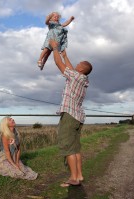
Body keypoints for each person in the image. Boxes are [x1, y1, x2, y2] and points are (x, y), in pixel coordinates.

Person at [49, 39, 93, 187]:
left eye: (79, 64)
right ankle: (79, 175)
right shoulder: (82, 78)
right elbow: (71, 69)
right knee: (75, 148)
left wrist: (55, 48)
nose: (76, 65)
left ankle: (73, 179)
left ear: (81, 69)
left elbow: (58, 64)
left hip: (69, 115)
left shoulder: (75, 76)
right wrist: (65, 55)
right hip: (78, 117)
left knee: (68, 147)